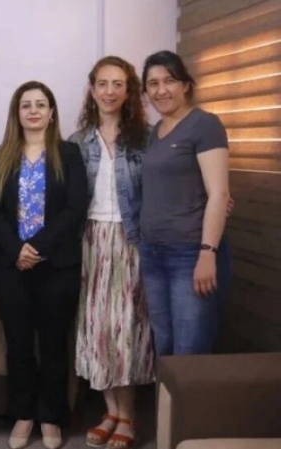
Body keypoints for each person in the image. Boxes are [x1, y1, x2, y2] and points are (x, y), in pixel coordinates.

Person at [0, 81, 88, 449]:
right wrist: (18, 249)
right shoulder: (2, 155)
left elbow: (75, 209)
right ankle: (22, 414)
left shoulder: (69, 154)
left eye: (40, 104)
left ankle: (50, 416)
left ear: (51, 112)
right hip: (11, 266)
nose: (33, 111)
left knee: (53, 345)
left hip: (56, 265)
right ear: (17, 113)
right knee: (18, 345)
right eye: (26, 105)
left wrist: (37, 247)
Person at [68, 56, 154, 449]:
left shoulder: (145, 138)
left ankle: (128, 415)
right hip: (90, 240)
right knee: (97, 329)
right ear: (92, 89)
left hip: (131, 240)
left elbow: (167, 186)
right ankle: (110, 412)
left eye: (118, 84)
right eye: (103, 83)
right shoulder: (77, 141)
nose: (109, 91)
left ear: (128, 90)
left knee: (127, 328)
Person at [139, 50, 231, 357]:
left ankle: (187, 397)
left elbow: (219, 194)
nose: (161, 90)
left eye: (169, 81)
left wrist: (207, 253)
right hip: (152, 252)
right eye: (153, 84)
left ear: (186, 85)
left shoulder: (204, 124)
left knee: (189, 349)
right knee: (163, 344)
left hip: (189, 253)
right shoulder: (154, 132)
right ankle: (165, 394)